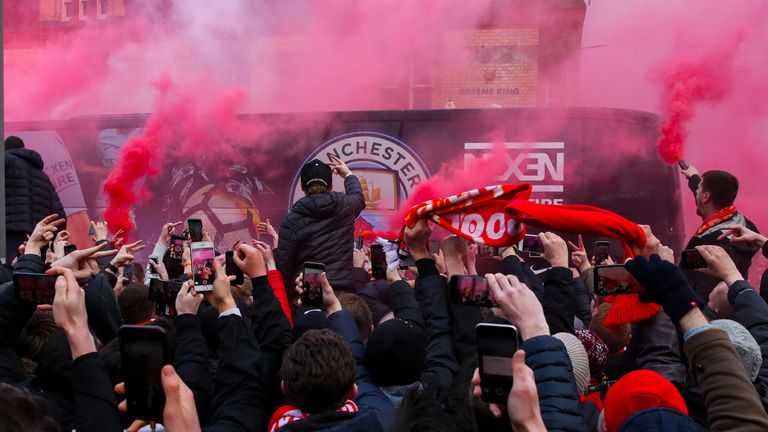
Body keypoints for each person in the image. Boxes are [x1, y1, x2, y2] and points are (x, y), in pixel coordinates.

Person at [275, 155, 366, 293]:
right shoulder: (345, 205)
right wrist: (348, 174)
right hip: (343, 293)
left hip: (309, 294)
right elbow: (359, 198)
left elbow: (284, 266)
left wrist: (291, 296)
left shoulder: (291, 220)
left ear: (302, 186)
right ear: (330, 185)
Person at [680, 163, 761, 300]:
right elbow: (705, 194)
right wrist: (693, 176)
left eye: (699, 190)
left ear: (706, 197)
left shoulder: (713, 248)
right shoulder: (741, 223)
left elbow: (704, 297)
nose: (696, 192)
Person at [4, 136, 66, 261]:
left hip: (8, 234)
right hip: (35, 238)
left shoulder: (7, 160)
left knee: (7, 271)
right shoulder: (43, 177)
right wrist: (51, 238)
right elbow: (59, 215)